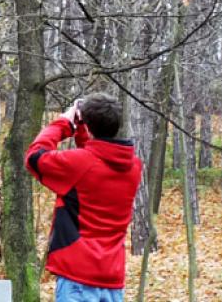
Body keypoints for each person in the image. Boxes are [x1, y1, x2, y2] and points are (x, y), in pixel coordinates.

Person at [25, 93, 142, 302]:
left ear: (88, 126)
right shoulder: (134, 167)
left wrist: (65, 122)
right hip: (112, 279)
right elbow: (93, 161)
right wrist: (81, 129)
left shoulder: (80, 165)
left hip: (77, 278)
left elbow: (34, 157)